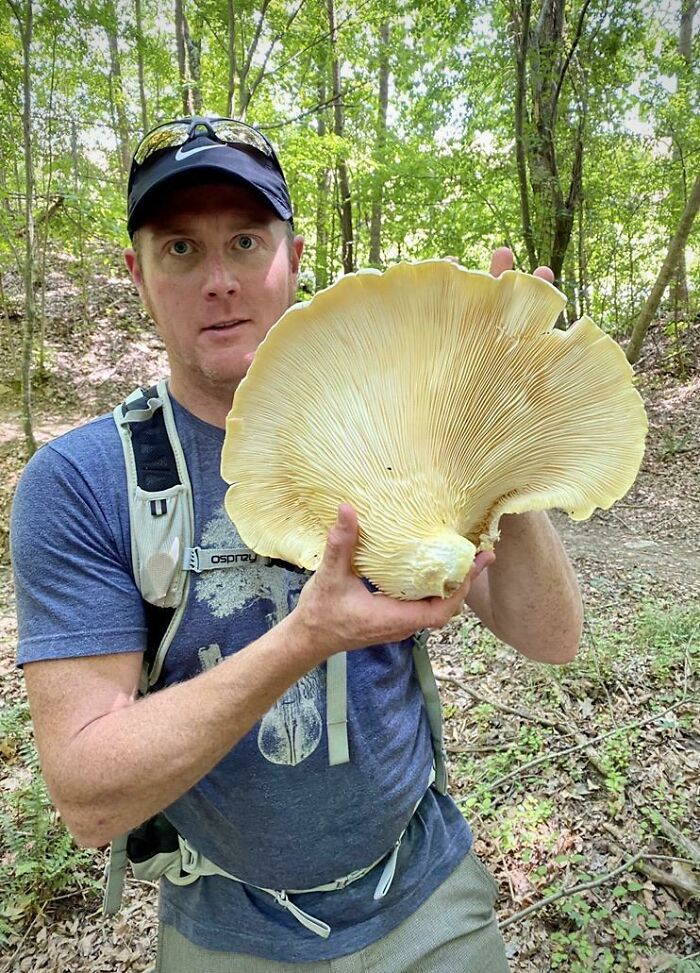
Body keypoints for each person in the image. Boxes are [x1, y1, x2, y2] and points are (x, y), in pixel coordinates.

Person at [11, 116, 583, 973]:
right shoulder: (83, 482)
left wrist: (501, 433)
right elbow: (90, 798)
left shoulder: (402, 412)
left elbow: (552, 636)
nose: (219, 281)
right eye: (180, 249)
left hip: (428, 896)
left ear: (293, 256)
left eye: (246, 241)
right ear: (137, 274)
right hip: (229, 927)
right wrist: (306, 637)